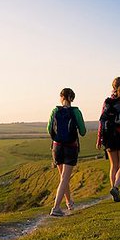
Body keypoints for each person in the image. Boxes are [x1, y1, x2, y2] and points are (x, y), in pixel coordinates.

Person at [47, 88, 86, 216]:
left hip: (56, 147)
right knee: (65, 178)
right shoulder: (76, 111)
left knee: (63, 178)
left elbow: (49, 129)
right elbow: (83, 131)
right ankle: (56, 208)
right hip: (70, 147)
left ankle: (69, 203)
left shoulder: (55, 110)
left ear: (61, 97)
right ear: (71, 98)